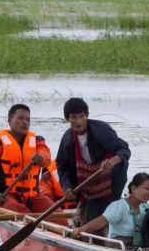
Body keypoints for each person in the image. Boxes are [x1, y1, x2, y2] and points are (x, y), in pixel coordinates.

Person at [55, 97, 130, 227]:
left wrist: (112, 162)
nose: (78, 121)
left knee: (107, 214)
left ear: (87, 116)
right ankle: (83, 209)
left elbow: (123, 149)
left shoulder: (102, 129)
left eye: (82, 116)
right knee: (89, 219)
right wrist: (67, 187)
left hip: (109, 179)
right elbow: (62, 167)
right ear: (67, 119)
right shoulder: (67, 139)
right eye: (74, 117)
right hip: (86, 182)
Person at [0, 104, 55, 213]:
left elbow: (46, 158)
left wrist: (40, 158)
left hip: (33, 197)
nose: (24, 122)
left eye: (28, 119)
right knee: (19, 212)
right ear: (9, 120)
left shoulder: (38, 143)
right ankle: (29, 225)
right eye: (20, 118)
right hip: (7, 197)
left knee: (57, 215)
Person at [70, 173, 149, 251]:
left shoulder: (145, 206)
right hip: (118, 244)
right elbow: (102, 220)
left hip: (136, 244)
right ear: (133, 189)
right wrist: (82, 229)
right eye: (146, 188)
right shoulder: (119, 206)